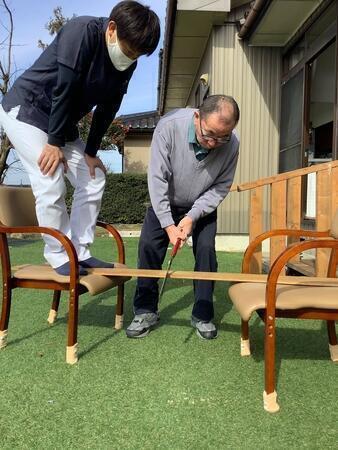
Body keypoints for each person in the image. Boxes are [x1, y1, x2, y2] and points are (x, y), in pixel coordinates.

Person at [0, 1, 160, 275]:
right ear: (111, 29)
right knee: (49, 177)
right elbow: (65, 89)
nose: (130, 58)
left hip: (60, 124)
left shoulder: (127, 65)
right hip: (26, 110)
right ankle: (58, 253)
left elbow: (109, 107)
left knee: (94, 177)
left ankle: (81, 251)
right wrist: (52, 143)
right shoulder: (82, 31)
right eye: (129, 50)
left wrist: (91, 151)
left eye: (137, 55)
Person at [126, 95, 240, 340]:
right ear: (197, 116)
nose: (213, 143)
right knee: (148, 247)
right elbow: (157, 179)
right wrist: (168, 224)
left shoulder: (232, 144)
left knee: (206, 250)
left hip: (201, 206)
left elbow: (221, 186)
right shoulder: (169, 127)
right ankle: (145, 310)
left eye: (222, 137)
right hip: (165, 200)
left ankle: (203, 313)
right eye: (209, 134)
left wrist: (192, 217)